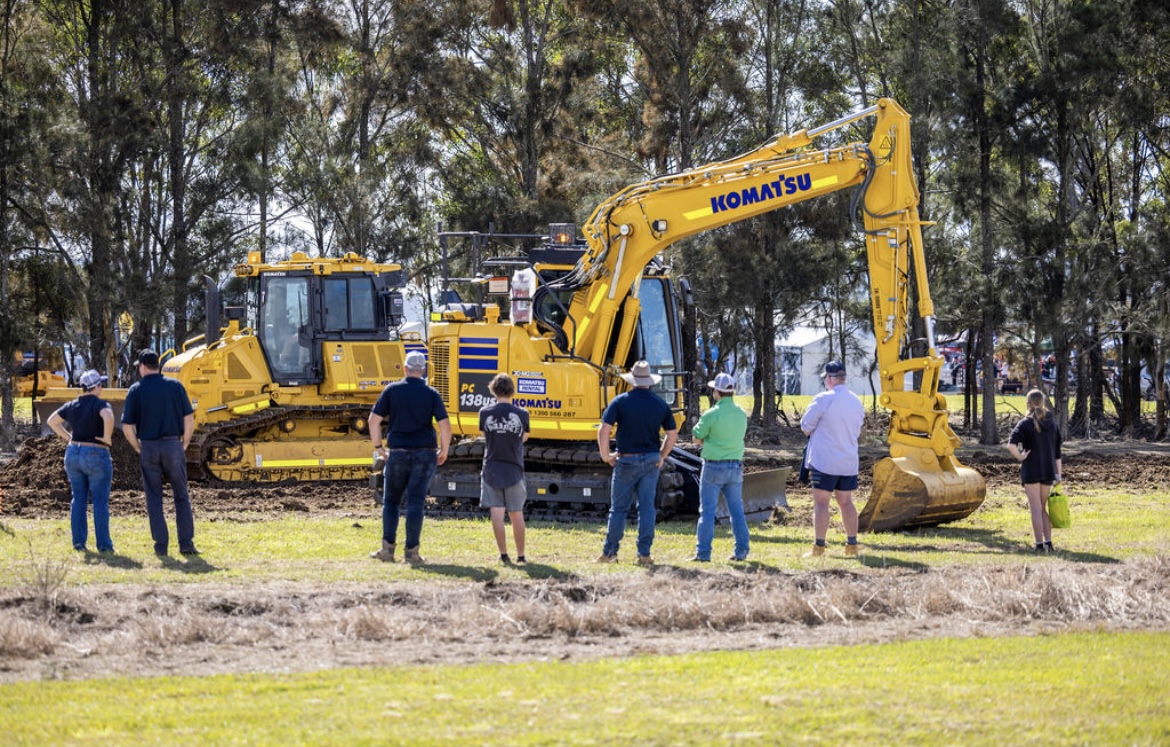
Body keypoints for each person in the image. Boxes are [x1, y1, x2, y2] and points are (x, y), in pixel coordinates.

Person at [368, 350, 451, 564]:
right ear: (423, 370)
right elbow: (445, 426)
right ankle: (412, 553)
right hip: (425, 454)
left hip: (397, 453)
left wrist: (379, 448)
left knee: (391, 502)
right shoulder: (432, 394)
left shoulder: (392, 390)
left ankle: (387, 550)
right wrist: (444, 450)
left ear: (405, 368)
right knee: (416, 502)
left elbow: (373, 421)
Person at [596, 360, 679, 565]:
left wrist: (606, 455)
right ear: (649, 381)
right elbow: (672, 434)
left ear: (632, 380)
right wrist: (661, 455)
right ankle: (644, 554)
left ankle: (610, 553)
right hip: (651, 460)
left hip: (626, 460)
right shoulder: (660, 404)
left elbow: (604, 430)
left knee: (618, 509)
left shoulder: (620, 401)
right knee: (647, 508)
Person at [121, 349, 198, 556]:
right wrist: (184, 443)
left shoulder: (136, 390)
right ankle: (186, 544)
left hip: (149, 447)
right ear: (158, 365)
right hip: (173, 446)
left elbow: (127, 426)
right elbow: (189, 418)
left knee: (154, 498)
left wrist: (138, 447)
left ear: (143, 367)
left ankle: (161, 546)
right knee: (181, 496)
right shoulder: (175, 386)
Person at [800, 361, 865, 557]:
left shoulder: (823, 399)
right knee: (846, 502)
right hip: (848, 460)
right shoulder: (856, 401)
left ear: (829, 378)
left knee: (821, 503)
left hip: (824, 460)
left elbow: (805, 426)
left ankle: (819, 547)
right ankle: (852, 545)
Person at [47, 369, 116, 553]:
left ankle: (78, 543)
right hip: (96, 453)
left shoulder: (72, 405)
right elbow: (108, 417)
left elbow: (52, 421)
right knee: (100, 501)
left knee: (78, 498)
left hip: (73, 454)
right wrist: (107, 438)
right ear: (97, 387)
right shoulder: (100, 404)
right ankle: (104, 545)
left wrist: (68, 437)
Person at [691, 372, 750, 562]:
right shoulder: (741, 414)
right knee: (736, 511)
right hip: (735, 466)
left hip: (713, 467)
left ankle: (703, 553)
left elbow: (696, 438)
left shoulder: (711, 414)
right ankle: (741, 551)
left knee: (707, 511)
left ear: (716, 392)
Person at [478, 373, 530, 564]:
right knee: (517, 514)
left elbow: (485, 434)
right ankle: (521, 555)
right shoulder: (522, 414)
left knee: (497, 514)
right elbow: (523, 438)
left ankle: (503, 554)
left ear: (493, 390)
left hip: (492, 467)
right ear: (512, 391)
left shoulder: (484, 413)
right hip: (514, 468)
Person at [1006, 389, 1063, 552]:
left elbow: (1010, 445)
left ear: (1028, 403)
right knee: (1042, 508)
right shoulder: (1052, 423)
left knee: (1036, 509)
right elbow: (1057, 452)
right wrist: (1059, 474)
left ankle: (1038, 545)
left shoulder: (1025, 423)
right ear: (1043, 402)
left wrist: (1021, 457)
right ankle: (1049, 543)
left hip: (1031, 470)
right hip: (1048, 470)